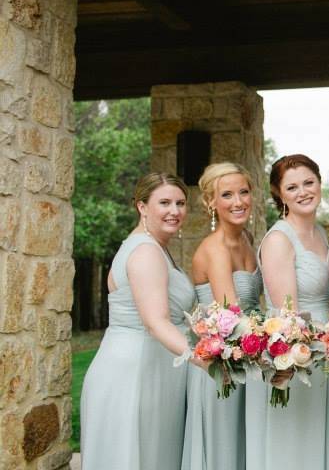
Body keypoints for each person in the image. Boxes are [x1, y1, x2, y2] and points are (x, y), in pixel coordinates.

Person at [81, 172, 200, 469]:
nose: (175, 211)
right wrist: (207, 357)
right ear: (142, 206)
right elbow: (156, 323)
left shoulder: (155, 247)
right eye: (164, 202)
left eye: (180, 202)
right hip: (135, 373)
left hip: (153, 367)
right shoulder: (146, 251)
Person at [244, 154, 329, 469]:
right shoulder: (278, 239)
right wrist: (308, 348)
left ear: (319, 183)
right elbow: (287, 314)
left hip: (324, 350)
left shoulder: (318, 233)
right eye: (292, 187)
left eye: (308, 182)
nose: (303, 191)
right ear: (279, 193)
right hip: (295, 355)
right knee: (295, 448)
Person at [182, 162, 262, 470]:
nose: (238, 201)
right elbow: (232, 316)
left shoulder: (246, 241)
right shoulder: (215, 250)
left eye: (244, 192)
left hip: (247, 358)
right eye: (227, 195)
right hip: (220, 367)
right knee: (223, 453)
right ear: (211, 202)